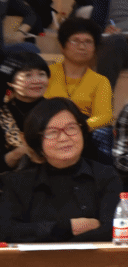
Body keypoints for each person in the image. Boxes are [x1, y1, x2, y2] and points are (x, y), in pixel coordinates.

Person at [0, 99, 121, 242]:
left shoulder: (106, 176)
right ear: (37, 142)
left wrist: (45, 236)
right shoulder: (17, 182)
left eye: (71, 128)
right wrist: (68, 227)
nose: (64, 138)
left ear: (82, 131)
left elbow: (114, 230)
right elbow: (7, 231)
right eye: (52, 132)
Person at [46, 17, 113, 131]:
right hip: (48, 129)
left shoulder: (100, 81)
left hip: (82, 132)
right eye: (75, 41)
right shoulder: (47, 73)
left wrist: (76, 128)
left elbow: (104, 116)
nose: (82, 47)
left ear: (95, 49)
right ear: (62, 46)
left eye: (88, 42)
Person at [0, 53, 50, 174]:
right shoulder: (3, 114)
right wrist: (20, 152)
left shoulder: (58, 110)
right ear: (10, 82)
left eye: (41, 74)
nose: (37, 81)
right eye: (28, 75)